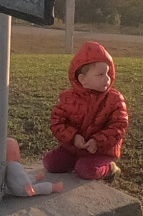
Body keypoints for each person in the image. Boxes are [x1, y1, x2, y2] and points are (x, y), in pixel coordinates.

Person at [45, 41, 128, 181]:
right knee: (51, 163)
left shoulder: (114, 99)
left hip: (101, 150)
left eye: (108, 73)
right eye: (100, 75)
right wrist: (73, 137)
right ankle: (76, 161)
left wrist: (97, 141)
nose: (107, 78)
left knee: (86, 170)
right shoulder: (68, 98)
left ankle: (110, 169)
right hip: (73, 148)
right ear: (83, 79)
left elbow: (119, 126)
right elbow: (57, 122)